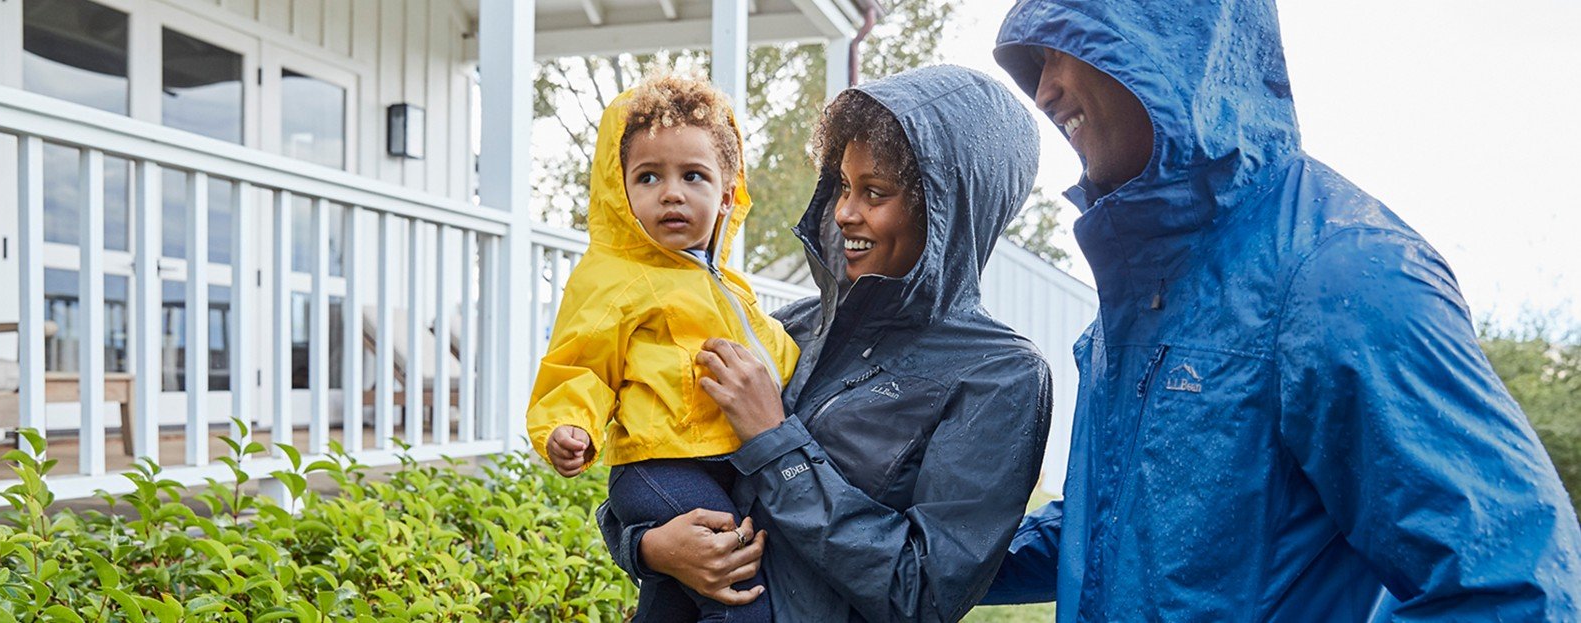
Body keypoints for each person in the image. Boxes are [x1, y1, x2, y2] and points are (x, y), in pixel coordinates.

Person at [983, 0, 1581, 619]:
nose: (1044, 91)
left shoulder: (1340, 272)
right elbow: (1104, 525)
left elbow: (1515, 589)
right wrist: (908, 558)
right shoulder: (1136, 296)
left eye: (1064, 50)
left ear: (1157, 36)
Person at [599, 65, 1054, 622]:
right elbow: (657, 463)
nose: (844, 212)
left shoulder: (999, 376)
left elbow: (924, 592)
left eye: (875, 192)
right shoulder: (786, 329)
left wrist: (774, 440)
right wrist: (649, 548)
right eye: (842, 184)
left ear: (948, 208)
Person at [526, 74, 800, 622]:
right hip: (659, 467)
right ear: (621, 193)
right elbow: (580, 364)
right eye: (648, 176)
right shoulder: (615, 277)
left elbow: (773, 355)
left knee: (672, 600)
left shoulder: (727, 283)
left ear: (726, 196)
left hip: (721, 463)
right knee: (738, 587)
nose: (671, 192)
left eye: (692, 176)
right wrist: (567, 426)